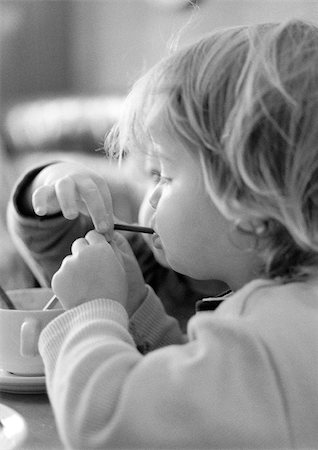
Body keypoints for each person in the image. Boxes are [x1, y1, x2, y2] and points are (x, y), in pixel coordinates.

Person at [8, 18, 318, 449]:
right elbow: (192, 398)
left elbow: (111, 427)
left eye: (164, 175)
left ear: (249, 200)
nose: (149, 197)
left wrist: (91, 310)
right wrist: (135, 306)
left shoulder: (264, 344)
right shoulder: (288, 317)